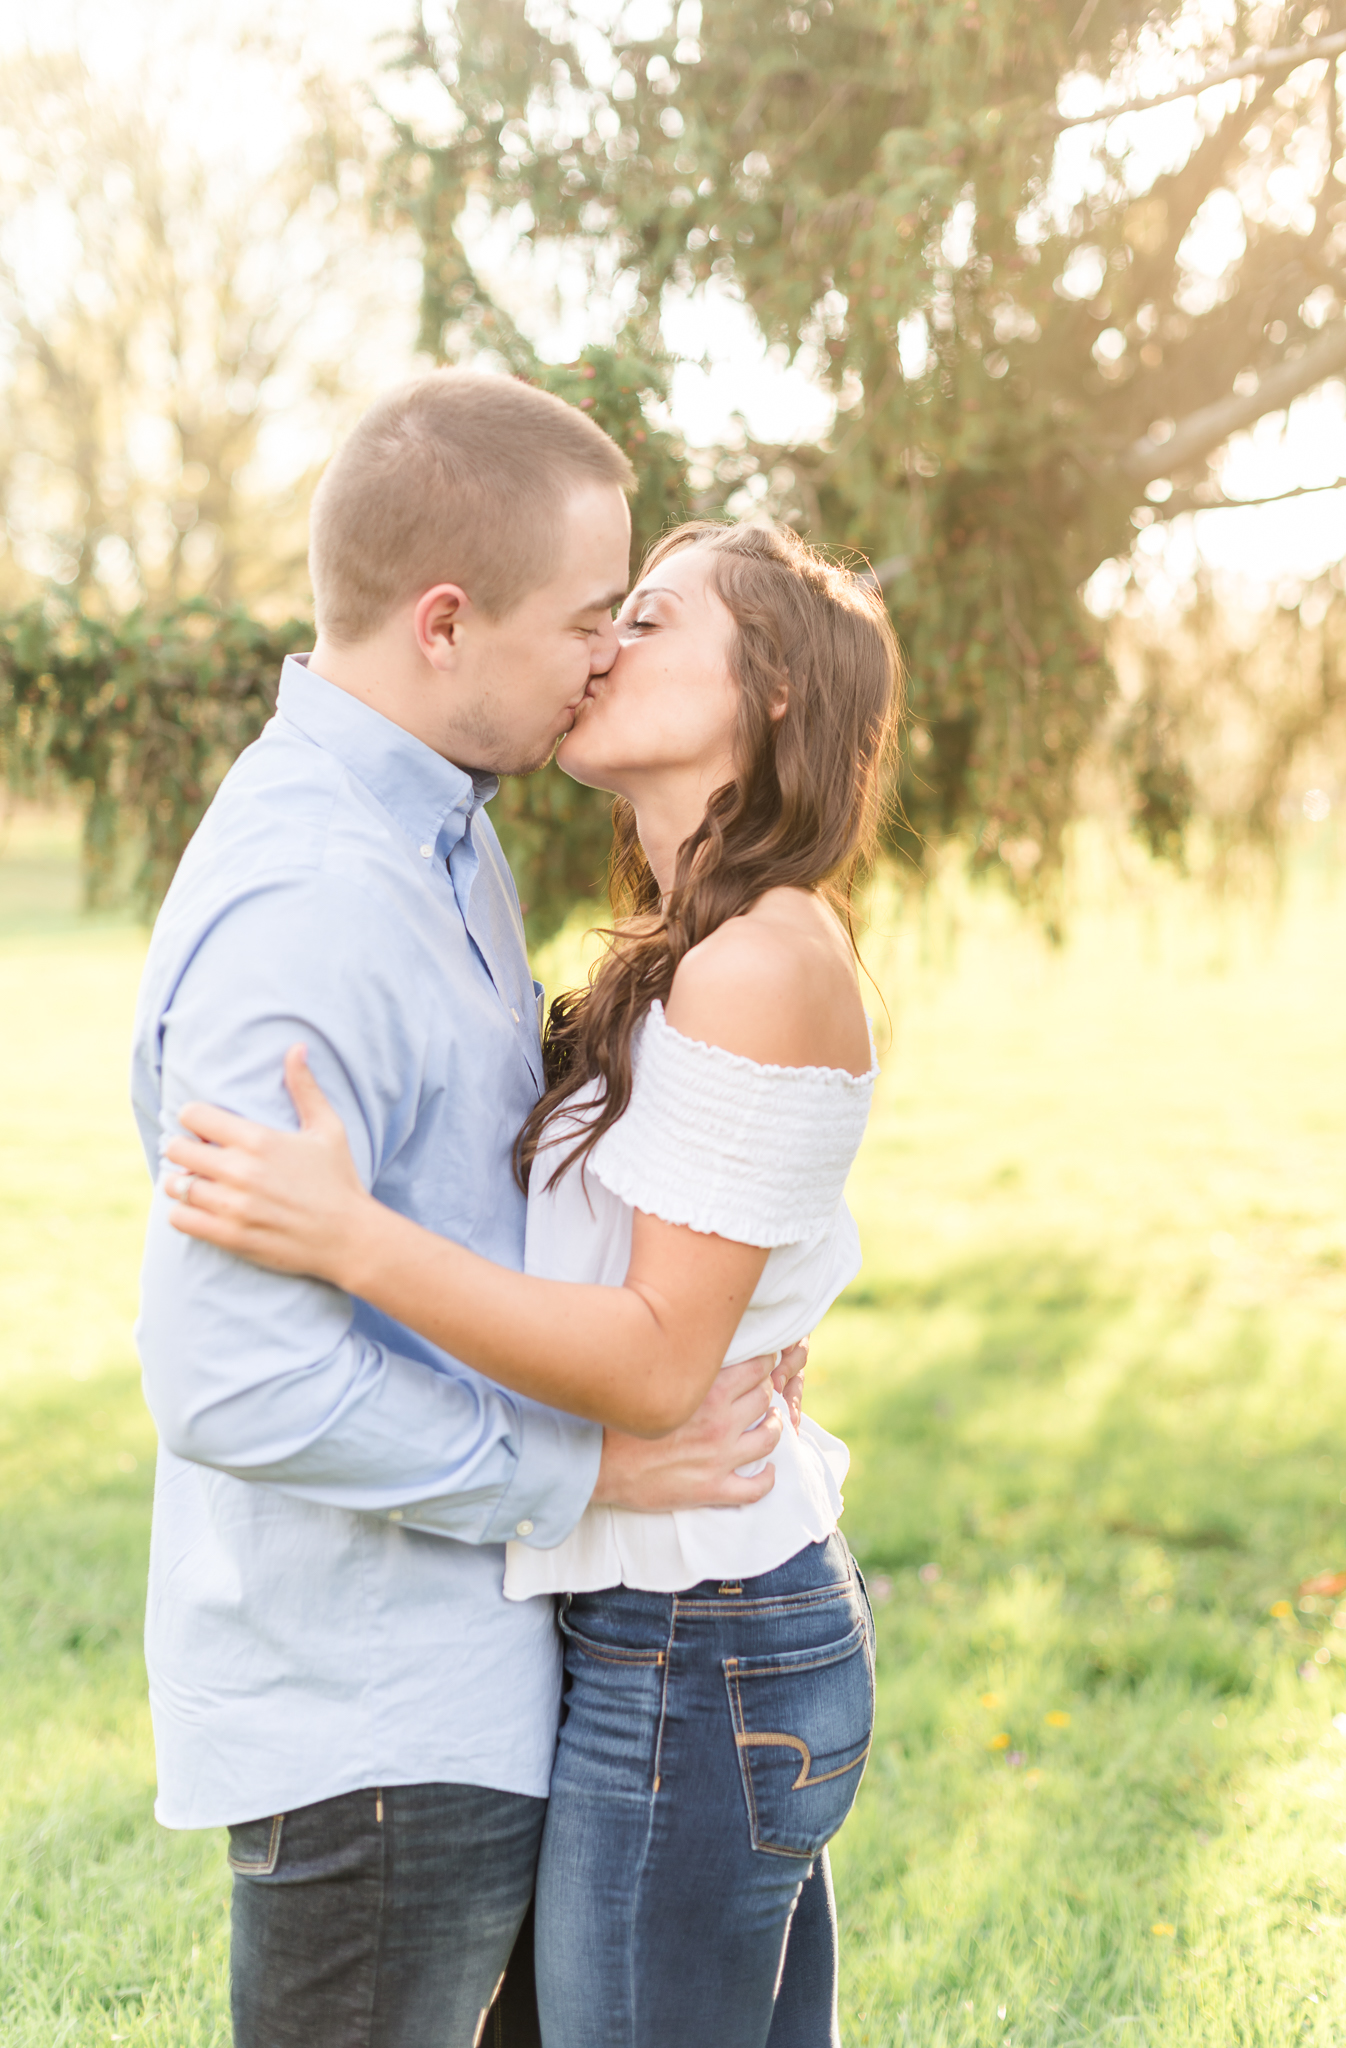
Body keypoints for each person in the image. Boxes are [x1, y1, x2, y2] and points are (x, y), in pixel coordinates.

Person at [161, 518, 902, 2048]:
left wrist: (351, 1237)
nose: (601, 651)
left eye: (649, 621)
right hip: (671, 1631)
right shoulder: (672, 942)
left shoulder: (760, 958)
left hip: (706, 1640)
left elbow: (648, 1368)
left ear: (771, 691)